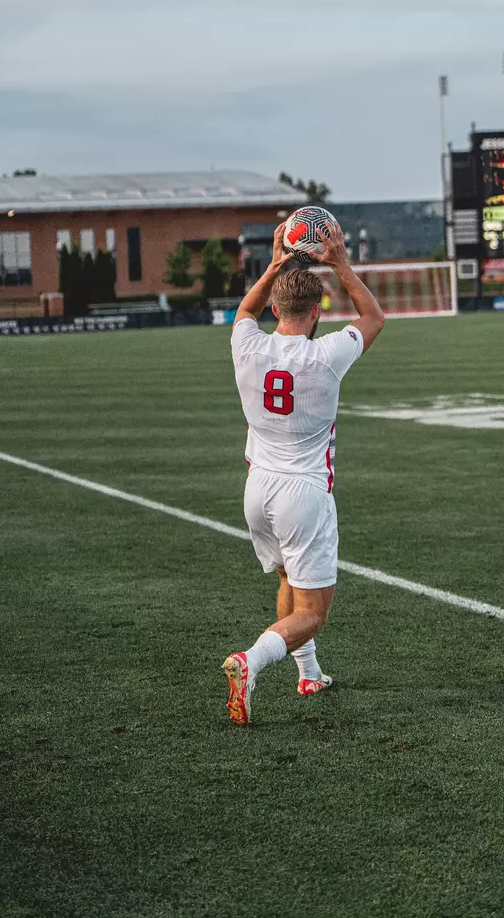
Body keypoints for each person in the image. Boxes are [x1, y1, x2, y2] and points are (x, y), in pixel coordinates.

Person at [222, 221, 385, 725]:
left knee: (290, 581)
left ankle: (308, 673)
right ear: (317, 311)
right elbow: (374, 317)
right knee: (312, 612)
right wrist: (339, 263)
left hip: (257, 490)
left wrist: (274, 264)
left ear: (275, 308)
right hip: (304, 493)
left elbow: (243, 311)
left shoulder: (247, 344)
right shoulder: (326, 354)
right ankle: (250, 661)